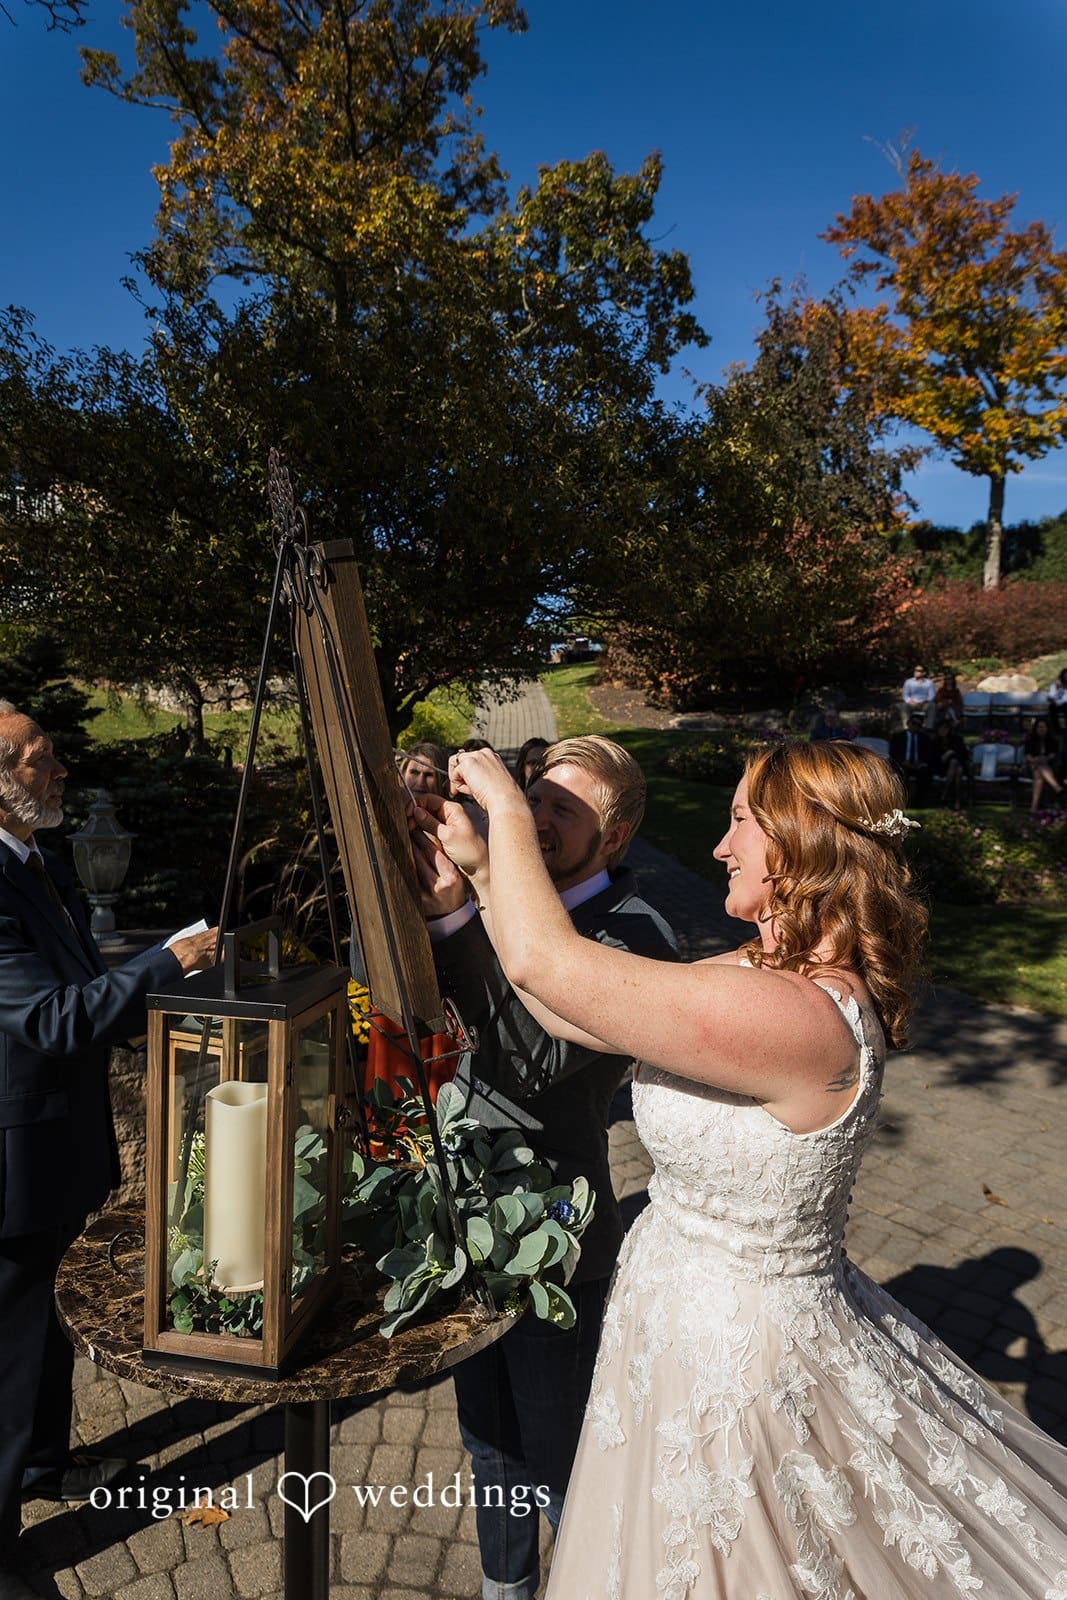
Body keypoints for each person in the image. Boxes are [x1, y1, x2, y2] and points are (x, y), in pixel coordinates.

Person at [422, 739, 1067, 1599]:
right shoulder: (760, 971)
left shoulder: (799, 1015)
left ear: (799, 842)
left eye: (738, 823)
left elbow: (548, 964)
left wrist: (506, 809)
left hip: (736, 1360)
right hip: (675, 1316)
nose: (719, 847)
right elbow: (568, 1010)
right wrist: (486, 877)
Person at [410, 736, 678, 1600]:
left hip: (557, 1241)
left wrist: (463, 917)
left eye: (564, 810)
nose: (534, 821)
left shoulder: (635, 935)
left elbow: (533, 1061)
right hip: (465, 1227)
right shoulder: (503, 899)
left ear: (615, 837)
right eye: (533, 800)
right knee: (488, 1441)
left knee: (564, 1457)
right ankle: (506, 1586)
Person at [0, 711, 218, 1600]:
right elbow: (52, 1020)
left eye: (52, 756)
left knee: (46, 1330)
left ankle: (43, 1465)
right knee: (9, 1353)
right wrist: (166, 962)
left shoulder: (37, 859)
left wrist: (155, 992)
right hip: (16, 1164)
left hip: (60, 1144)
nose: (58, 771)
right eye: (39, 760)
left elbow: (85, 990)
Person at [888, 713, 935, 806]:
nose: (916, 726)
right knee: (901, 775)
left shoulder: (924, 738)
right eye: (914, 723)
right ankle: (902, 801)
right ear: (908, 723)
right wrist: (903, 761)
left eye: (919, 725)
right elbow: (893, 753)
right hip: (902, 764)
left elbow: (929, 754)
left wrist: (922, 763)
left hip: (919, 765)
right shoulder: (897, 737)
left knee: (925, 774)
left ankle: (919, 802)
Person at [1024, 717, 1063, 813]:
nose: (1041, 729)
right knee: (1039, 767)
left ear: (1047, 728)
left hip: (1048, 767)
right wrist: (1036, 760)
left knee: (1038, 774)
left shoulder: (1053, 741)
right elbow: (1028, 757)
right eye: (1039, 727)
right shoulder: (1030, 740)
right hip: (1031, 767)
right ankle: (1057, 788)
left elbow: (1053, 755)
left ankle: (1033, 807)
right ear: (1036, 728)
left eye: (1043, 727)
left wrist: (1044, 759)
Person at [932, 716, 969, 809]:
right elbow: (934, 758)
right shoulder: (935, 741)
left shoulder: (957, 740)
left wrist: (950, 752)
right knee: (958, 770)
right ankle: (957, 800)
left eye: (945, 728)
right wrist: (944, 756)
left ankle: (945, 794)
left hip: (956, 765)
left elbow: (964, 755)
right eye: (941, 729)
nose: (943, 731)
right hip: (941, 768)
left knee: (956, 765)